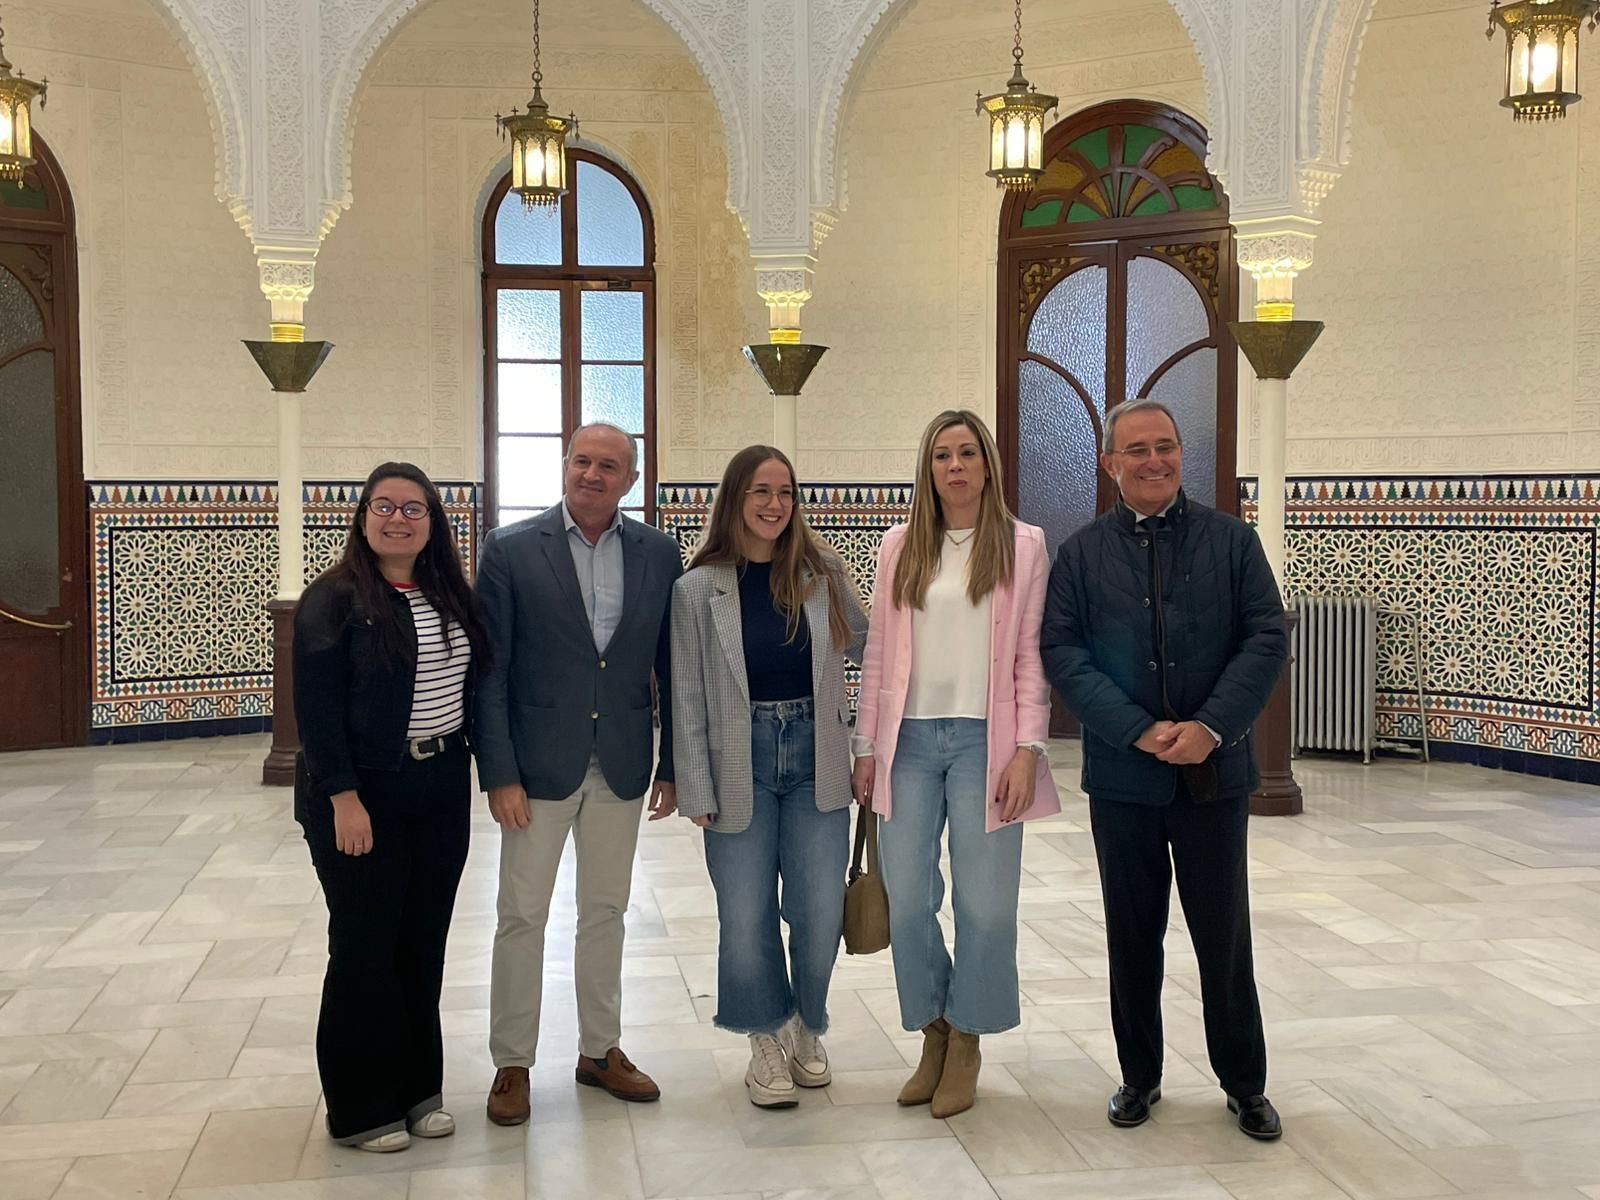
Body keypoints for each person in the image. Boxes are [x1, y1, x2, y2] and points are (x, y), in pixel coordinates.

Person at [1039, 397, 1288, 1141]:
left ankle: (1244, 1084)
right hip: (1125, 779)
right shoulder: (1081, 554)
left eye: (1166, 446)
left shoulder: (1232, 541)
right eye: (1138, 449)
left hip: (1214, 775)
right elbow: (1064, 653)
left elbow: (1264, 638)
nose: (1155, 460)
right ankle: (1138, 1076)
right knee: (1132, 934)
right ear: (1110, 463)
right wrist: (1136, 730)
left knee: (1224, 936)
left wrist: (1211, 727)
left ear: (1181, 453)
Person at [852, 409, 1060, 1120]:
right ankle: (933, 1030)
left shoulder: (1024, 545)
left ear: (987, 464)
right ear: (928, 467)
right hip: (907, 743)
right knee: (908, 899)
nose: (955, 466)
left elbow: (1030, 654)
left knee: (987, 905)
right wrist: (866, 747)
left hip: (986, 743)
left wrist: (1029, 749)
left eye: (968, 453)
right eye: (942, 454)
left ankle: (968, 1036)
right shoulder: (899, 545)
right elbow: (878, 652)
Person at [474, 422, 682, 1125]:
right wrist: (499, 771)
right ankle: (512, 1062)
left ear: (631, 480)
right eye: (582, 461)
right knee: (522, 914)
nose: (593, 474)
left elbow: (670, 666)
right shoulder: (509, 549)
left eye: (609, 466)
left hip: (621, 761)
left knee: (606, 911)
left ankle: (600, 1050)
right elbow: (491, 671)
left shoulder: (658, 553)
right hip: (535, 768)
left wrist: (672, 766)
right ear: (564, 466)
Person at [293, 461, 490, 1152]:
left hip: (439, 790)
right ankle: (358, 1108)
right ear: (363, 516)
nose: (397, 519)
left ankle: (418, 1090)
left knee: (422, 943)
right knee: (364, 946)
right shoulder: (333, 599)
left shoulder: (450, 594)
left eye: (413, 508)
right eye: (384, 506)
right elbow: (317, 712)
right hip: (362, 794)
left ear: (433, 522)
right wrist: (343, 798)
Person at [670, 446, 868, 1109]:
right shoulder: (697, 589)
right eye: (761, 490)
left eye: (785, 492)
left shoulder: (822, 573)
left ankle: (807, 1024)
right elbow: (686, 694)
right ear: (735, 497)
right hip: (739, 760)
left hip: (817, 756)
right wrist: (695, 785)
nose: (775, 504)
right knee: (744, 913)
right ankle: (763, 1036)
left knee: (819, 908)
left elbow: (869, 646)